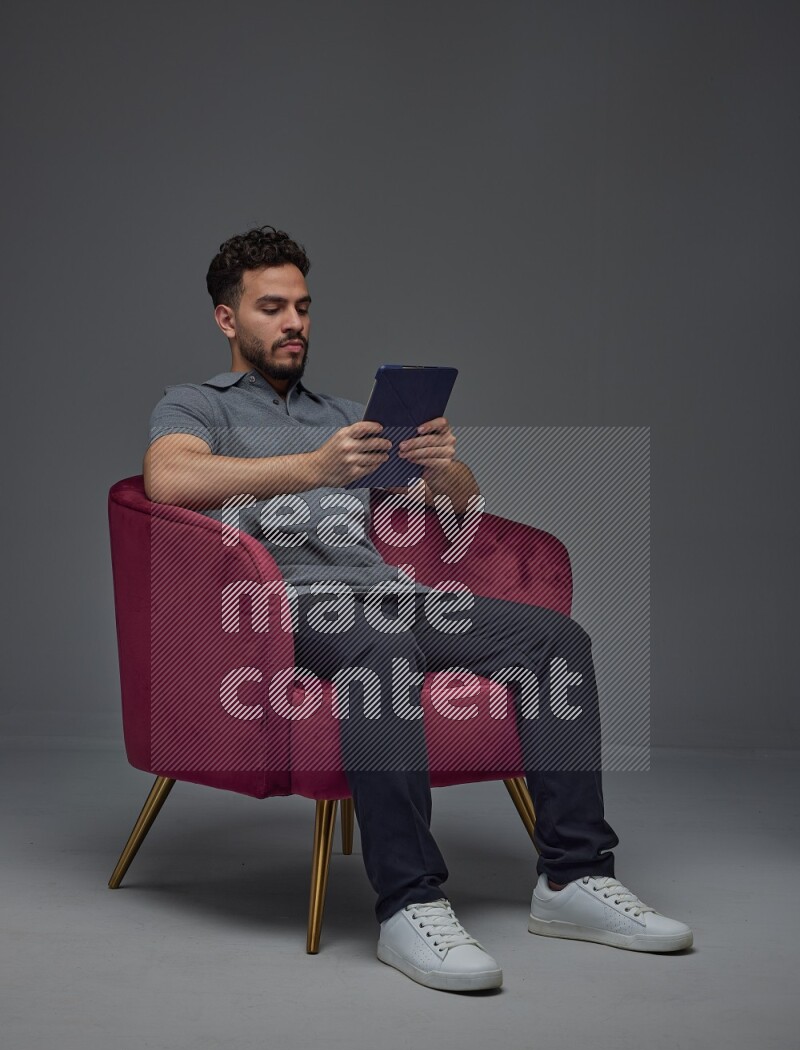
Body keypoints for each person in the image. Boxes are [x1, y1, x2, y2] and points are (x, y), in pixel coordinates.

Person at [144, 224, 693, 993]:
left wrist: (447, 467)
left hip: (392, 598)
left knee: (556, 642)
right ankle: (409, 904)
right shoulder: (195, 405)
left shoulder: (343, 411)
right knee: (380, 649)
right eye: (272, 307)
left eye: (303, 306)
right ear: (227, 319)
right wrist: (312, 466)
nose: (295, 322)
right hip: (286, 611)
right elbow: (165, 482)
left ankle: (573, 879)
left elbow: (458, 512)